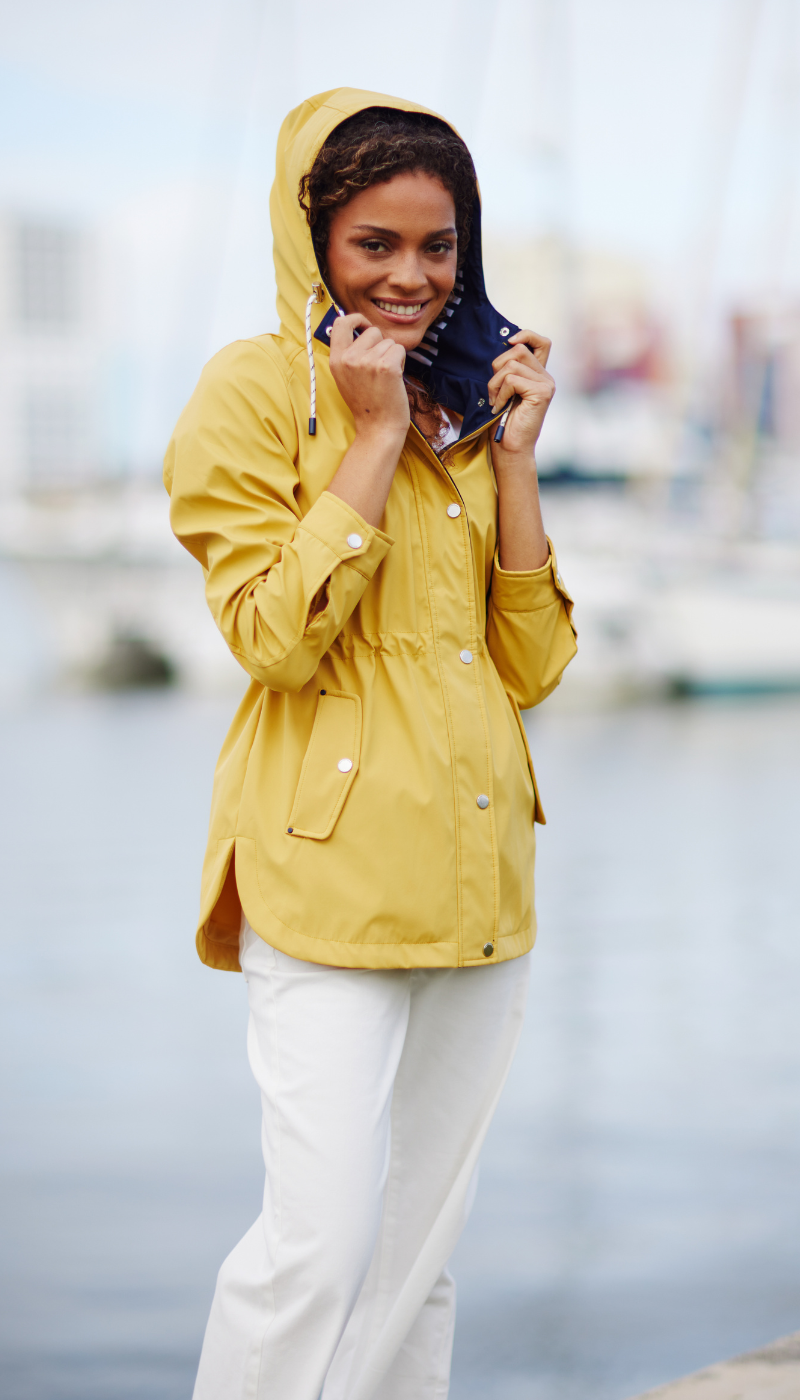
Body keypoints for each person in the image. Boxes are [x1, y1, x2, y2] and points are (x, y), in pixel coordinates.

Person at [165, 87, 577, 1400]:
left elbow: (534, 666)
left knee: (418, 1257)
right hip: (325, 875)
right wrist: (374, 434)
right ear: (314, 242)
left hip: (476, 874)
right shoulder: (250, 392)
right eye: (376, 245)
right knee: (319, 1249)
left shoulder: (471, 400)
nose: (411, 276)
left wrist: (509, 460)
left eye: (437, 247)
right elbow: (271, 636)